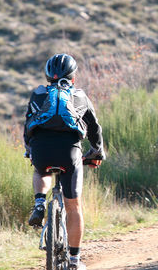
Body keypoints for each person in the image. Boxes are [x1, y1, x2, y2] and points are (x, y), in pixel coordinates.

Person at [24, 53, 105, 270]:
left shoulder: (38, 94)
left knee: (41, 171)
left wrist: (29, 150)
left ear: (47, 75)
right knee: (73, 207)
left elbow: (28, 125)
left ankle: (40, 201)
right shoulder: (79, 95)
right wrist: (97, 151)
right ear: (73, 76)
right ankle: (75, 261)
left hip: (41, 149)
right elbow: (94, 128)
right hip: (69, 152)